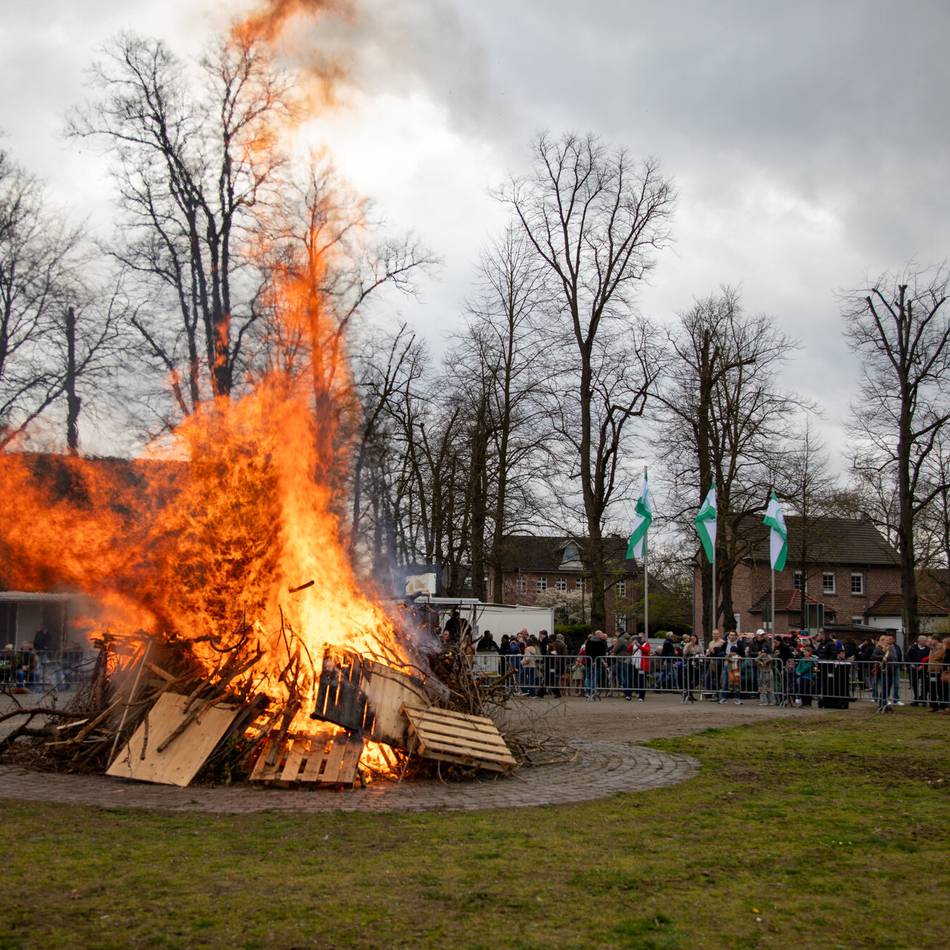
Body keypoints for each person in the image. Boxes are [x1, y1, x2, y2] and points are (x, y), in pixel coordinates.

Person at [927, 637, 950, 713]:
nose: (931, 641)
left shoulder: (941, 648)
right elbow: (930, 658)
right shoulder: (932, 648)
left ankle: (943, 706)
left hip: (939, 671)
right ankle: (933, 705)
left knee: (940, 689)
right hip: (931, 670)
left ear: (936, 640)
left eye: (933, 639)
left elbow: (937, 657)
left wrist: (933, 650)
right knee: (932, 689)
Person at [584, 629, 608, 700]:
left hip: (589, 661)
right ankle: (593, 692)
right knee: (595, 677)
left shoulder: (588, 641)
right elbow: (603, 654)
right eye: (601, 634)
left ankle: (588, 692)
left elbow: (586, 651)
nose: (602, 635)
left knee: (588, 677)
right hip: (597, 662)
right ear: (597, 635)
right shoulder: (601, 643)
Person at [907, 635, 930, 705]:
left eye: (926, 641)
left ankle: (924, 699)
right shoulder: (913, 648)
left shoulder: (928, 649)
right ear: (920, 641)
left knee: (924, 684)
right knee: (915, 684)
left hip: (924, 669)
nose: (926, 642)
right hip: (914, 669)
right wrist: (911, 664)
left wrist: (923, 666)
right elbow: (908, 657)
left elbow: (929, 659)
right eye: (924, 641)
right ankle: (916, 699)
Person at [681, 634, 702, 702]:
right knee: (689, 679)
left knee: (697, 679)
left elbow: (702, 653)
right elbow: (684, 653)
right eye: (692, 638)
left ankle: (688, 691)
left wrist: (699, 655)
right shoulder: (688, 645)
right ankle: (689, 694)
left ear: (696, 639)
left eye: (694, 638)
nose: (693, 640)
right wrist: (688, 646)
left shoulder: (699, 645)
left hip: (697, 664)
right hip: (689, 664)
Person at [630, 634, 650, 702]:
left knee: (642, 681)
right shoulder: (635, 644)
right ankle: (631, 694)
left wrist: (639, 646)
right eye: (638, 637)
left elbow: (646, 651)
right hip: (634, 664)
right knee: (633, 679)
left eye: (641, 637)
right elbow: (629, 649)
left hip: (642, 665)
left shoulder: (646, 644)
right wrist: (632, 644)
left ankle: (641, 696)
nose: (640, 638)